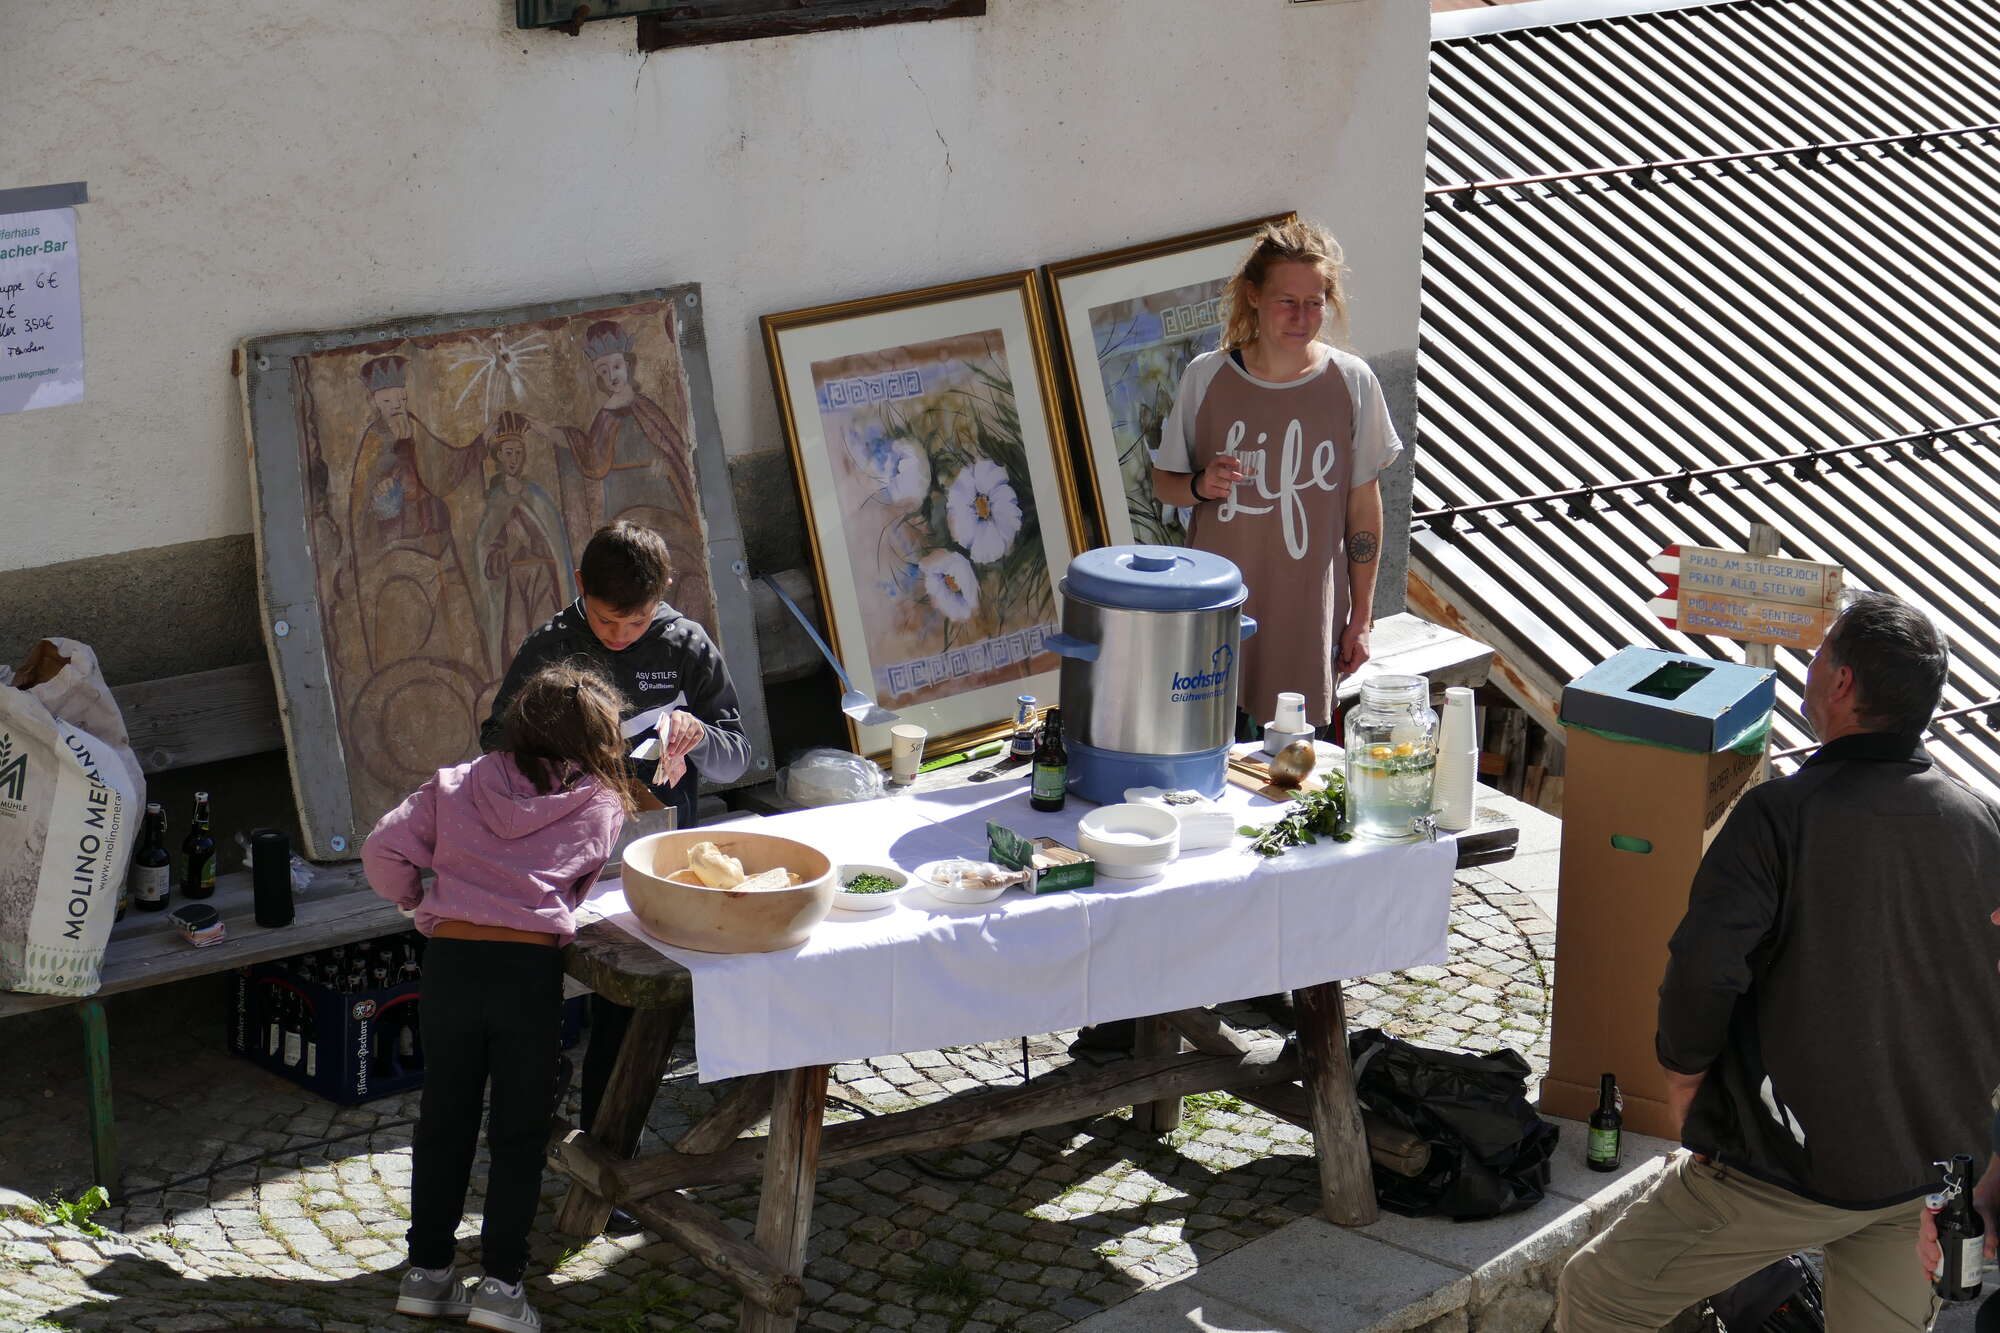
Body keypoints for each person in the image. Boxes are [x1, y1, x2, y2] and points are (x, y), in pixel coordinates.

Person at [1556, 592, 2000, 1333]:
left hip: (1789, 1162)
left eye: (1822, 653)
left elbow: (1704, 968)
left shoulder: (1780, 815)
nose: (1812, 665)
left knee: (1602, 1293)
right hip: (1928, 1172)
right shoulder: (1982, 821)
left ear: (1842, 682)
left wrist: (1686, 1079)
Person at [479, 519, 752, 1228]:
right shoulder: (552, 645)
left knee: (626, 1013)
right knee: (536, 996)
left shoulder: (684, 644)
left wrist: (699, 737)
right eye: (608, 621)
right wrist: (561, 749)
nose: (624, 635)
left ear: (663, 594)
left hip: (655, 859)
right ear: (580, 590)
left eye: (637, 621)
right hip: (563, 861)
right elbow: (495, 744)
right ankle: (531, 1127)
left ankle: (608, 1158)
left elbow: (738, 757)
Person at [364, 662, 636, 1332]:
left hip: (452, 964)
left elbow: (381, 851)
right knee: (518, 1132)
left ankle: (427, 1274)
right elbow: (579, 880)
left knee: (444, 1119)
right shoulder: (602, 802)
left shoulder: (455, 782)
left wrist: (416, 898)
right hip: (527, 972)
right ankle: (501, 1286)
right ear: (596, 740)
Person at [1150, 218, 1402, 739]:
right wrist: (1199, 485)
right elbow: (1164, 484)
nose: (1302, 317)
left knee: (1292, 769)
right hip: (1217, 613)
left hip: (1306, 621)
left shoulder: (1352, 381)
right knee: (1208, 757)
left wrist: (1361, 618)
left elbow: (1363, 507)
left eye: (1315, 302)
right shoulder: (1207, 376)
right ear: (1254, 297)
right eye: (1287, 301)